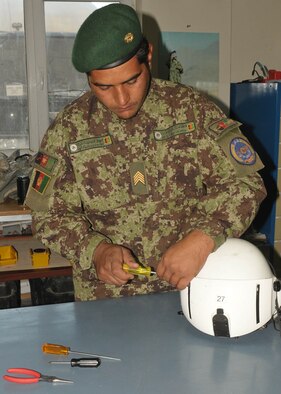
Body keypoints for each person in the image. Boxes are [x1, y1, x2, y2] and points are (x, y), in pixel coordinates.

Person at [25, 4, 266, 301]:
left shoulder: (190, 110)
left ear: (148, 56)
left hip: (193, 289)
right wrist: (96, 250)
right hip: (106, 300)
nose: (122, 99)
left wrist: (203, 238)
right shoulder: (69, 128)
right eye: (104, 87)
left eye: (131, 80)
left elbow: (246, 184)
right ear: (89, 79)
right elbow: (48, 217)